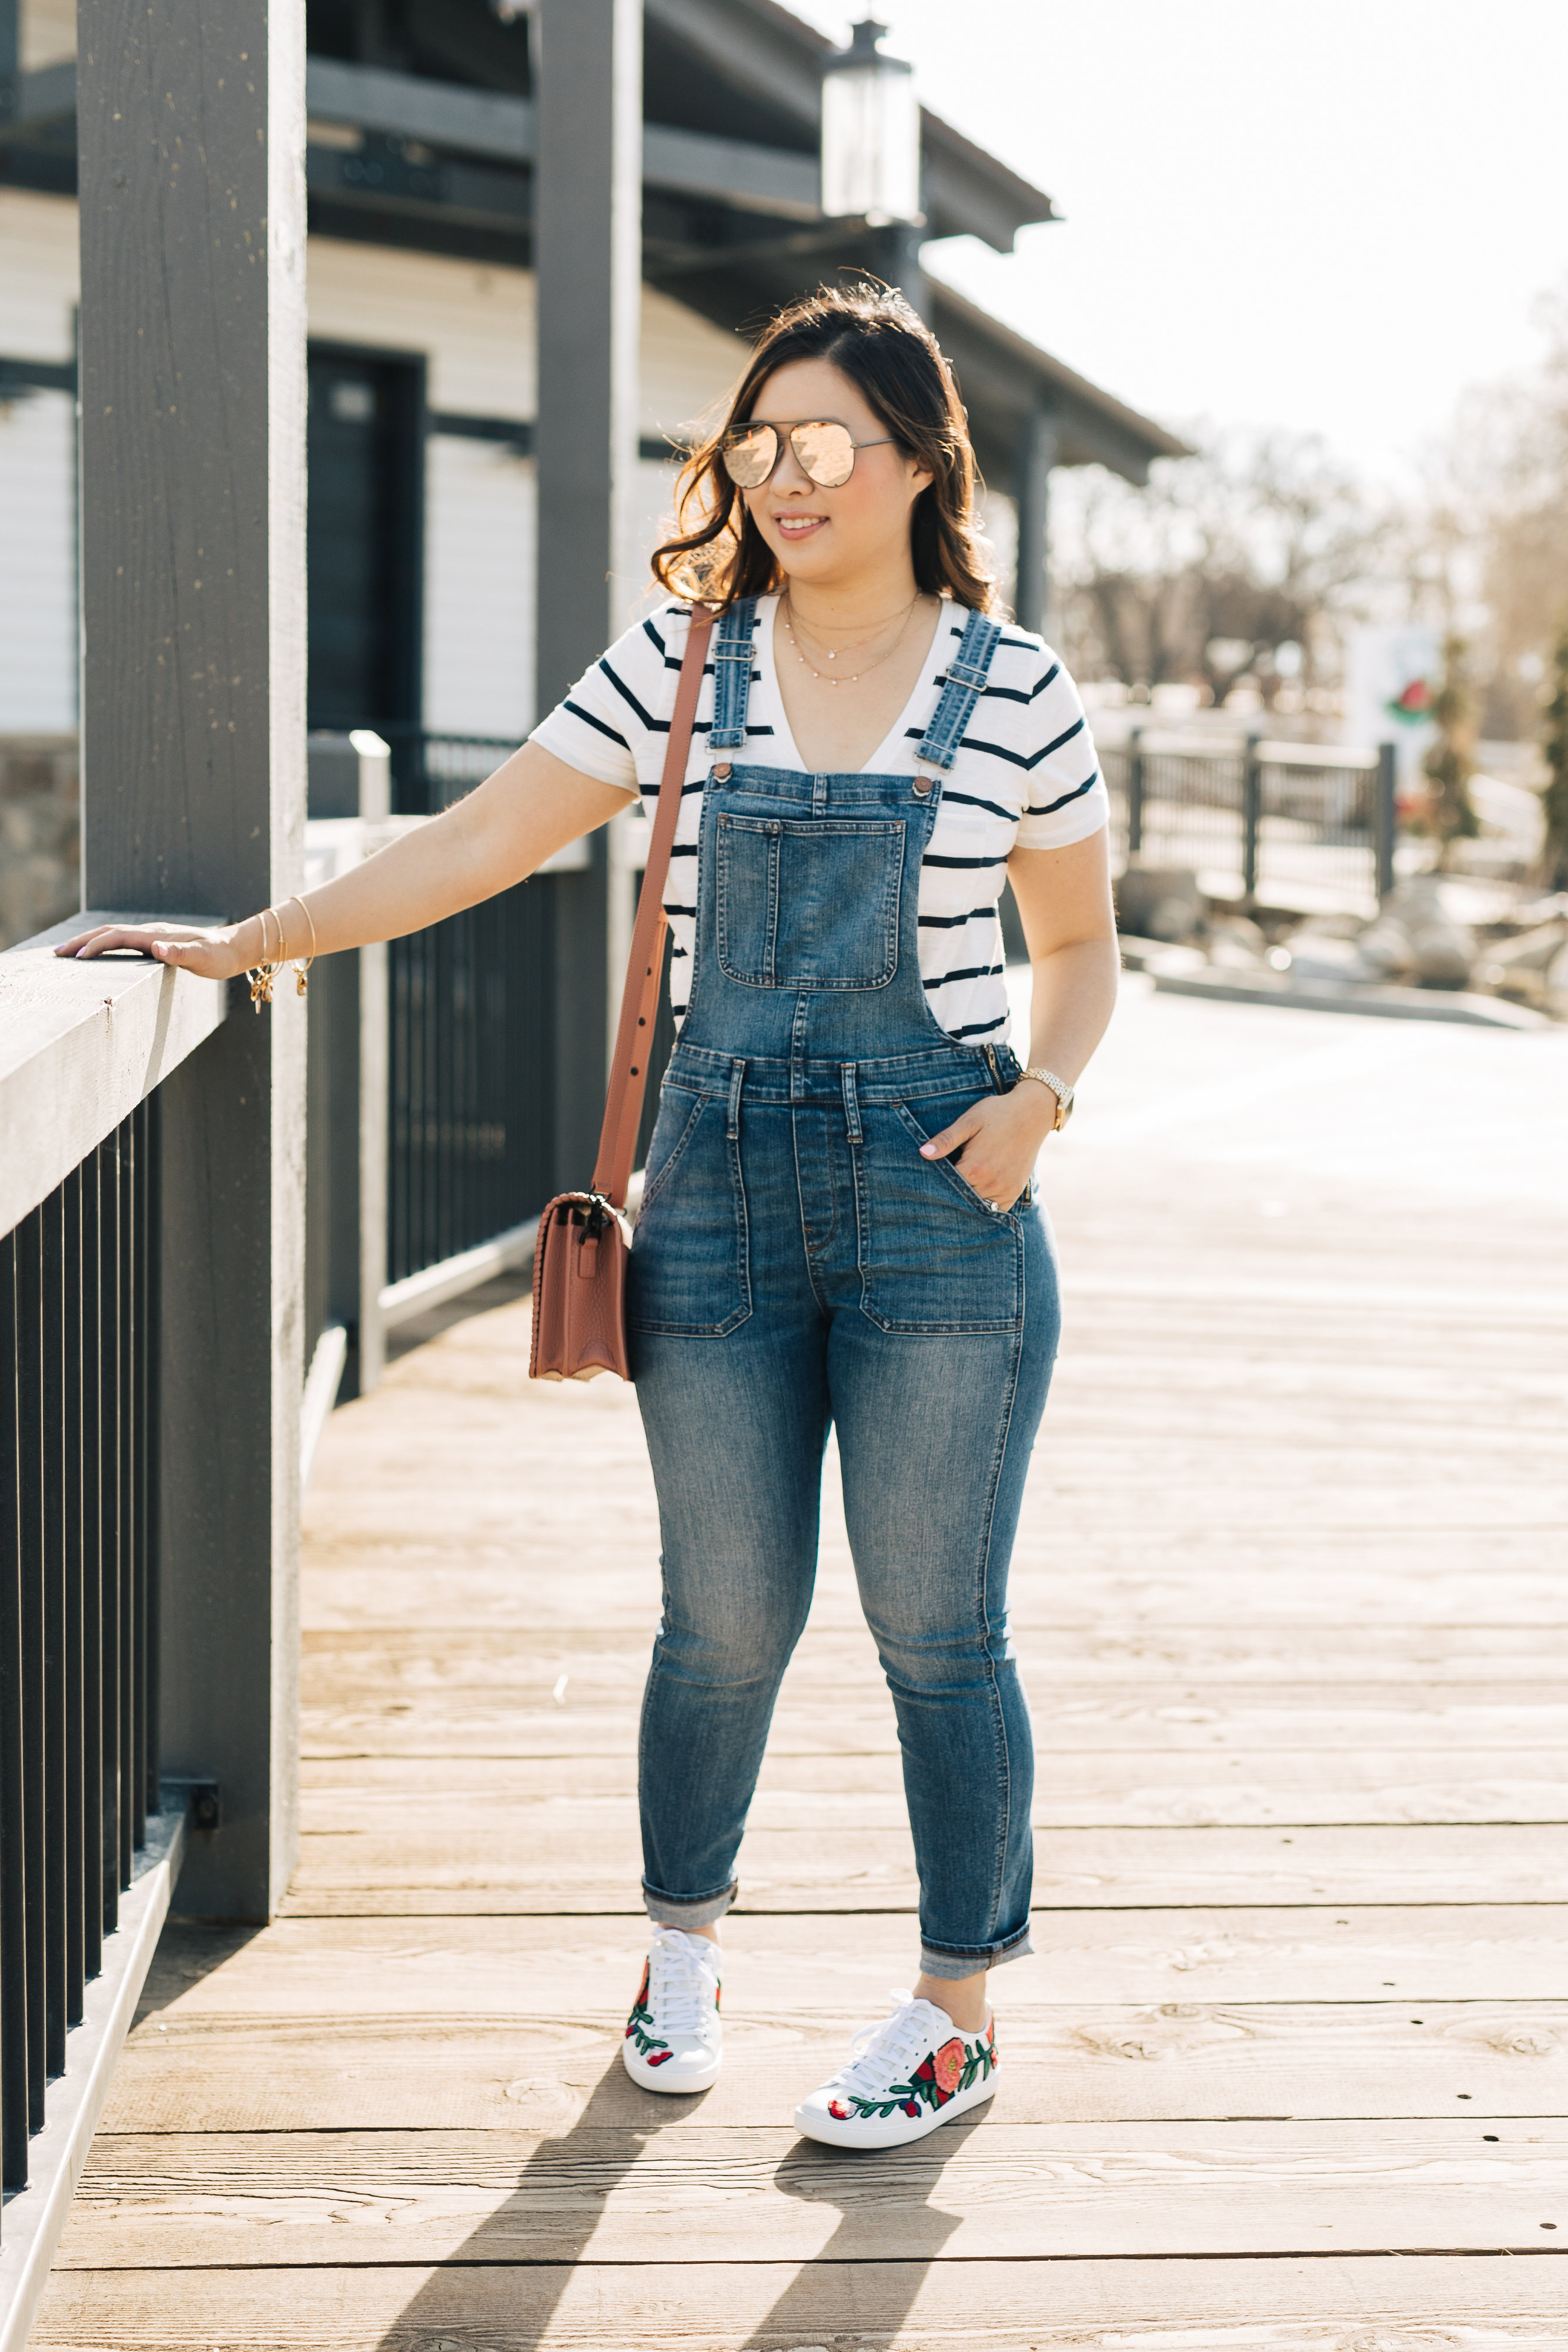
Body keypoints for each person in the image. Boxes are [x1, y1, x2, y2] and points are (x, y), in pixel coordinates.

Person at [59, 282, 1118, 2152]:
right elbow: (478, 839)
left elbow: (1080, 951)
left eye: (822, 442)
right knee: (718, 1618)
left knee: (938, 1626)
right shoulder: (681, 659)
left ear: (915, 461)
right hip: (707, 1200)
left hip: (942, 1206)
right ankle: (679, 1959)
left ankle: (953, 2006)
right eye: (755, 442)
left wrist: (1038, 1105)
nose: (781, 476)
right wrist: (251, 946)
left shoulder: (1014, 686)